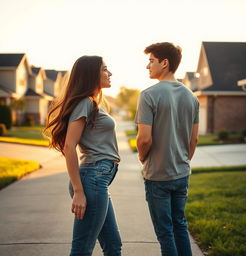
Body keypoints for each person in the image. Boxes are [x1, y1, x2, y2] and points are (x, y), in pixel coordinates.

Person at [44, 55, 122, 256]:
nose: (110, 73)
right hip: (92, 180)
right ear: (91, 75)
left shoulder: (92, 103)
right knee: (82, 249)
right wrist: (78, 191)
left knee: (113, 245)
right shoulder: (84, 103)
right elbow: (70, 146)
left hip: (97, 179)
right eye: (105, 69)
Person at [135, 42, 199, 256]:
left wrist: (142, 158)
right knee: (180, 225)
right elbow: (194, 139)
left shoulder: (148, 95)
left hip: (158, 176)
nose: (147, 66)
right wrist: (183, 161)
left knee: (165, 232)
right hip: (182, 173)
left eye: (151, 61)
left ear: (165, 63)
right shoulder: (192, 97)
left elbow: (144, 139)